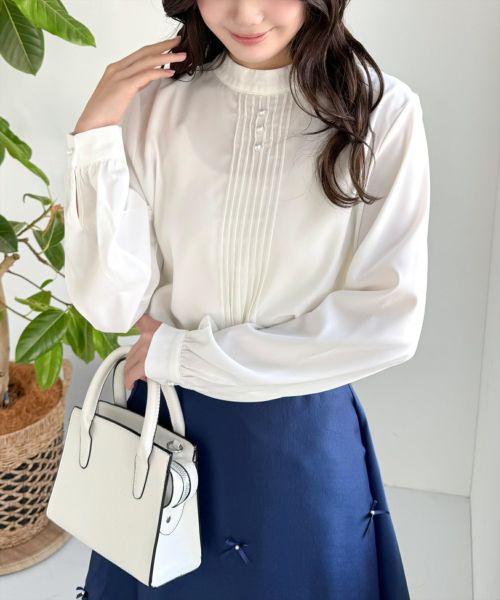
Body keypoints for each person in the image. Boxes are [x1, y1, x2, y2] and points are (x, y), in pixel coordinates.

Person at [65, 0, 430, 597]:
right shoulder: (156, 103)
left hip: (297, 434)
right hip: (166, 421)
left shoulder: (382, 111)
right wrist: (95, 135)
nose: (246, 13)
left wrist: (182, 353)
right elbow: (109, 303)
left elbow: (389, 321)